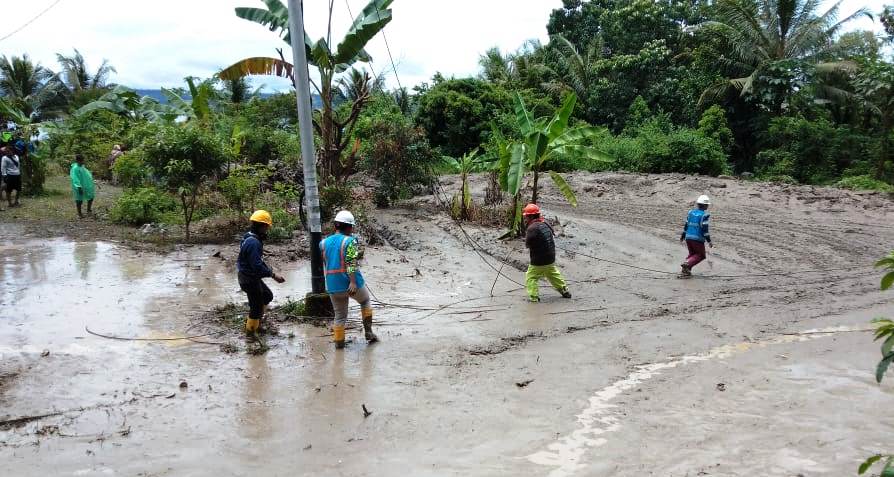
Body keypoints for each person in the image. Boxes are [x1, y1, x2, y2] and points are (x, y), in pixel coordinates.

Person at [321, 210, 378, 349]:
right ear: (349, 227)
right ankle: (369, 332)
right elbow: (351, 262)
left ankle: (339, 345)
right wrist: (352, 282)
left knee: (339, 316)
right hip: (350, 283)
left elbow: (326, 262)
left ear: (336, 225)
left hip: (333, 285)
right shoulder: (350, 241)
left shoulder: (323, 243)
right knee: (365, 301)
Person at [237, 210, 286, 334]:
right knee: (256, 308)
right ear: (263, 226)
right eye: (267, 227)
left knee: (267, 295)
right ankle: (251, 333)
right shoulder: (254, 242)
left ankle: (256, 320)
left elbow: (257, 261)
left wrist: (270, 272)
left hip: (248, 276)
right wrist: (273, 275)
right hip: (249, 279)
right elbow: (257, 266)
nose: (267, 230)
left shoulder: (248, 236)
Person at [523, 203, 572, 302]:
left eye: (526, 217)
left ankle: (533, 297)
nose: (525, 219)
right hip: (550, 257)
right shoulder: (546, 223)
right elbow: (552, 235)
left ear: (531, 216)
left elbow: (527, 245)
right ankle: (564, 290)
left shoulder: (532, 228)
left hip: (538, 260)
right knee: (553, 274)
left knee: (531, 277)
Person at [679, 194, 713, 278]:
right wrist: (709, 241)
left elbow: (686, 225)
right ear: (705, 205)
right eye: (707, 205)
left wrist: (683, 236)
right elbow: (705, 229)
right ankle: (687, 264)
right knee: (701, 255)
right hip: (697, 239)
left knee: (692, 254)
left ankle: (685, 271)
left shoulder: (691, 213)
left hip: (688, 237)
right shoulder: (704, 215)